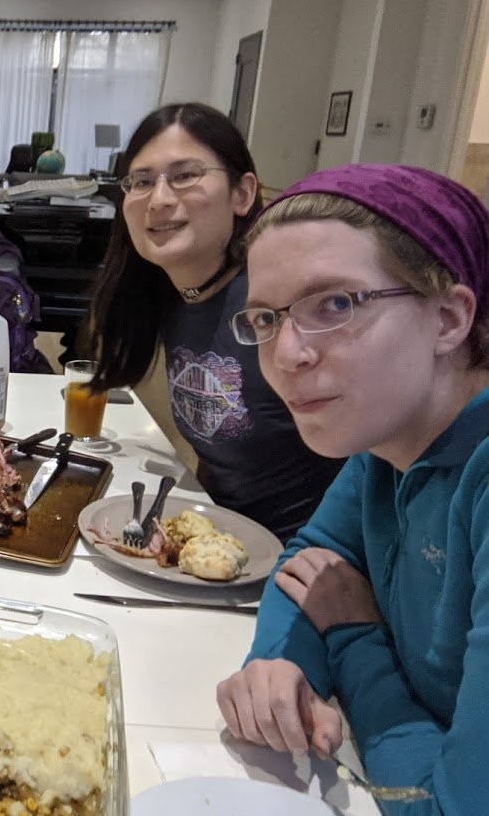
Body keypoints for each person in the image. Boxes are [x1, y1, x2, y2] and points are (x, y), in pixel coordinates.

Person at [216, 164, 489, 812]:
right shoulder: (390, 440)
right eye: (265, 318)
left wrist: (352, 637)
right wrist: (284, 666)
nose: (287, 354)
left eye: (335, 304)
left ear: (449, 318)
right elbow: (309, 561)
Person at [87, 103, 344, 540]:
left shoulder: (285, 307)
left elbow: (374, 457)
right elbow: (221, 449)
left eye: (185, 176)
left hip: (304, 561)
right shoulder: (169, 293)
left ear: (242, 193)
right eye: (142, 181)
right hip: (222, 543)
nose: (160, 199)